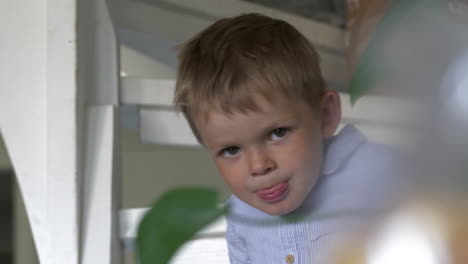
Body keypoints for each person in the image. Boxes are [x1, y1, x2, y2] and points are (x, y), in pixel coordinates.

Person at [173, 13, 405, 264]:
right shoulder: (241, 216)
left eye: (278, 133)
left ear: (324, 116)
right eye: (231, 150)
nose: (259, 165)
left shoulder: (378, 173)